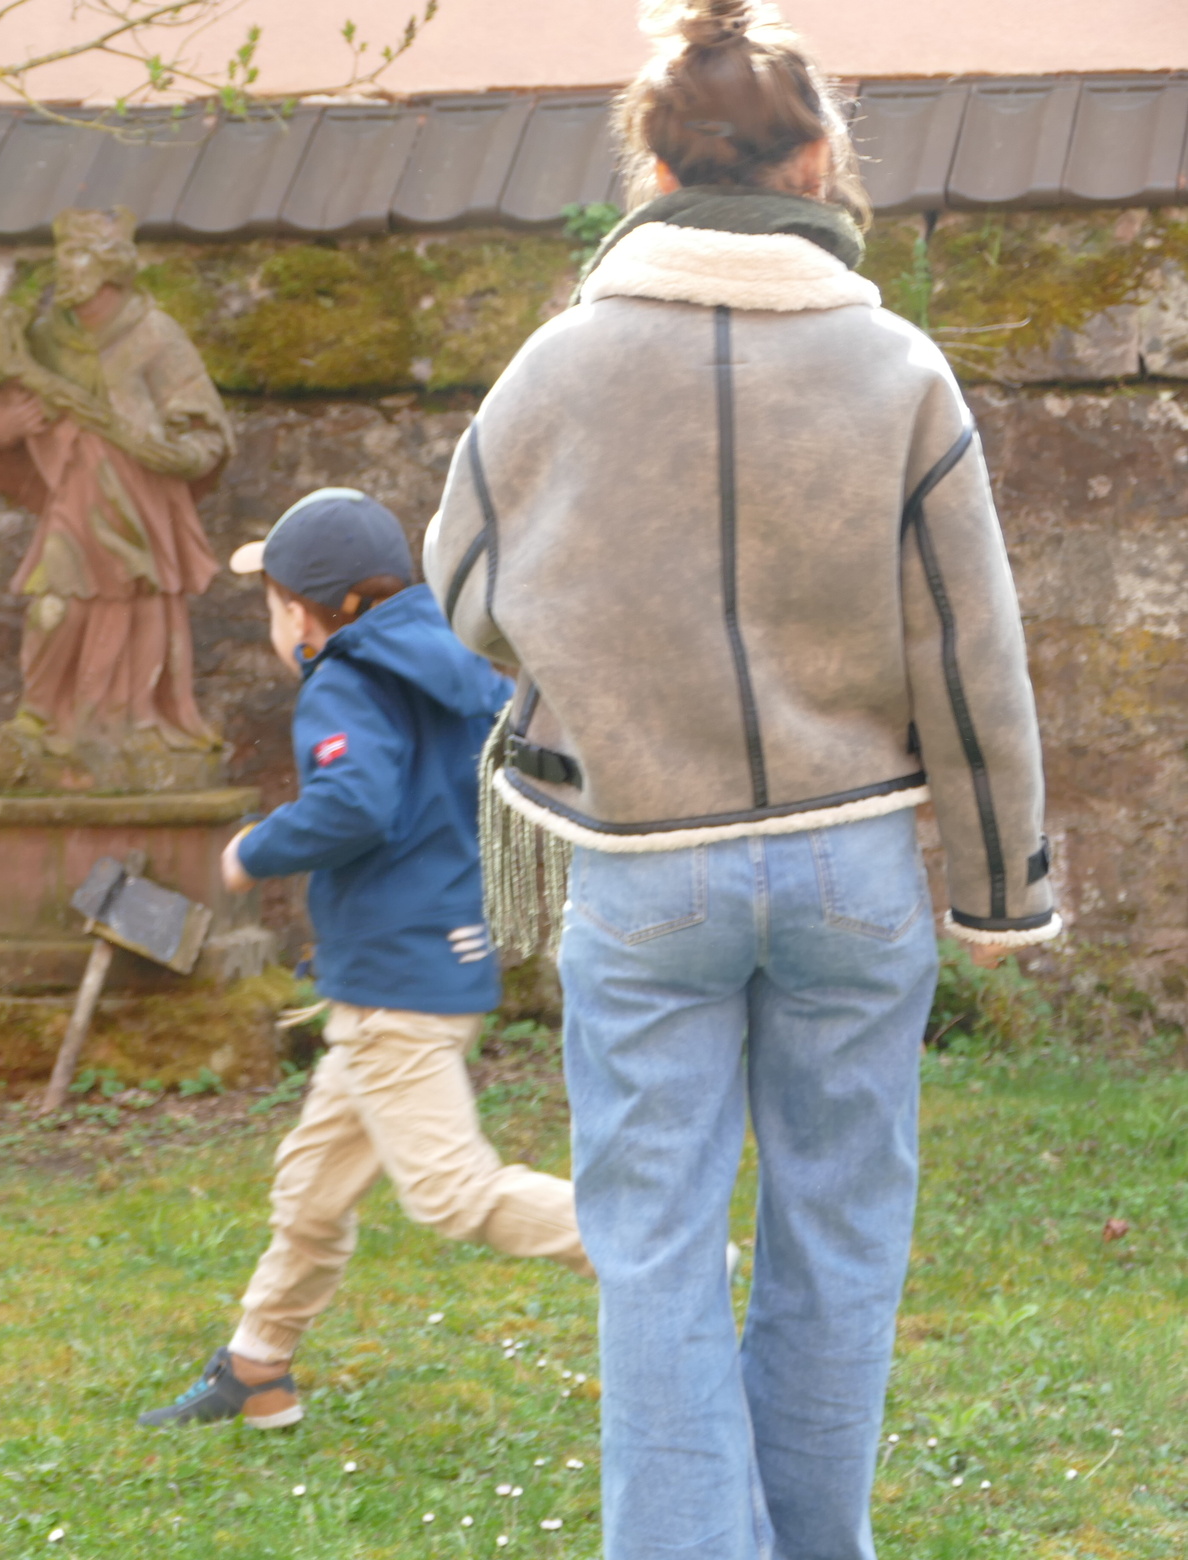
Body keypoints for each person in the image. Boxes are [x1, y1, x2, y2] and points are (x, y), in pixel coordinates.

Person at [420, 3, 1058, 1554]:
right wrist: (1000, 891)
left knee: (651, 1249)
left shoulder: (558, 366)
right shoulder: (899, 369)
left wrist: (604, 647)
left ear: (650, 168)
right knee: (841, 1240)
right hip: (852, 869)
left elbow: (462, 588)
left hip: (644, 863)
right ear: (819, 159)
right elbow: (973, 645)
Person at [138, 488, 590, 1431]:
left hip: (395, 983)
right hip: (419, 965)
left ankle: (654, 1248)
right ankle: (258, 1369)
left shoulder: (344, 681)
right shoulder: (449, 667)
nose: (274, 625)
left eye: (275, 606)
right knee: (311, 1188)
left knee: (452, 1194)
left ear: (313, 618)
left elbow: (354, 804)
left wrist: (253, 849)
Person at [0, 205, 235, 793]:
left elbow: (203, 428)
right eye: (63, 254)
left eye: (79, 254)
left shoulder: (155, 335)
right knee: (54, 605)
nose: (66, 267)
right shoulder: (41, 341)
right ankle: (41, 718)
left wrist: (183, 452)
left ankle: (135, 724)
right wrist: (3, 428)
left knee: (142, 607)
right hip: (76, 502)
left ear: (112, 266)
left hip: (143, 507)